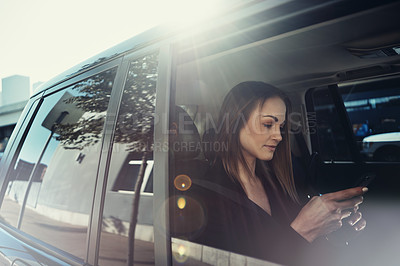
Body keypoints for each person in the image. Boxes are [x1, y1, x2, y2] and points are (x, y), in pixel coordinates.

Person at [177, 81, 367, 265]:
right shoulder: (203, 196)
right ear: (234, 123)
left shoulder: (279, 180)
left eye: (281, 127)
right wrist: (303, 230)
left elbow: (305, 252)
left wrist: (334, 233)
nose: (278, 136)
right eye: (268, 124)